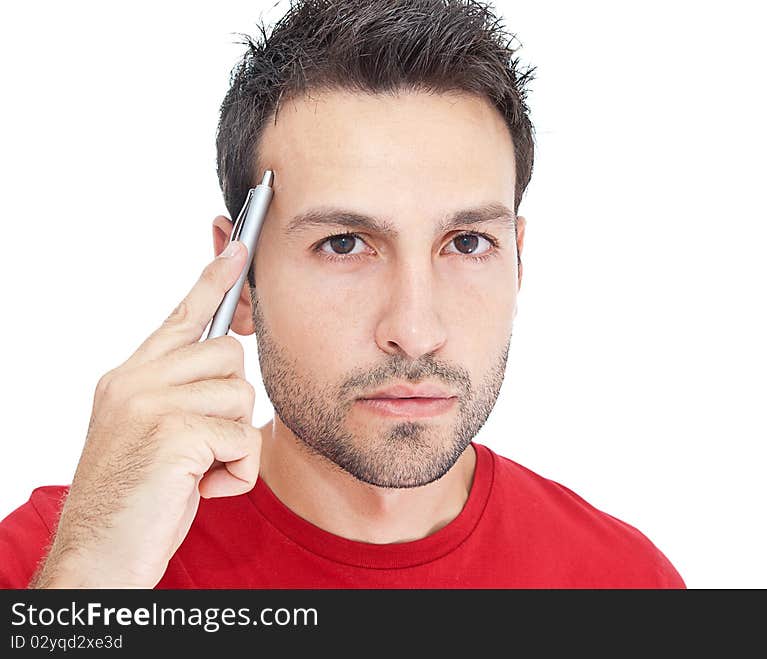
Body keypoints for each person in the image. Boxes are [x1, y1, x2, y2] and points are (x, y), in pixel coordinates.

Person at [0, 0, 685, 589]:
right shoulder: (55, 559)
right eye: (344, 244)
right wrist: (88, 586)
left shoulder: (624, 580)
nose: (415, 331)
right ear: (238, 283)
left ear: (519, 263)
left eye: (468, 243)